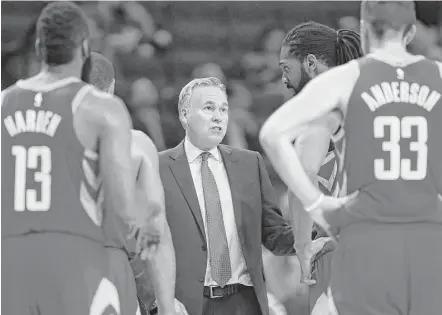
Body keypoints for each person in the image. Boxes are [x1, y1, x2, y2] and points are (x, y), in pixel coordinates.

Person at [260, 1, 442, 314]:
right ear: (411, 32)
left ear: (365, 29)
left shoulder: (346, 82)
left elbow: (275, 138)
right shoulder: (436, 75)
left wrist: (311, 222)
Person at [2, 3, 153, 314]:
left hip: (10, 259)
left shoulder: (3, 102)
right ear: (85, 47)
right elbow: (121, 208)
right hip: (70, 257)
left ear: (38, 47)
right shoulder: (100, 108)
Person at [158, 76, 313, 315]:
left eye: (223, 109)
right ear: (184, 114)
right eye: (208, 108)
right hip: (184, 305)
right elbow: (146, 242)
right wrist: (158, 300)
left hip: (244, 302)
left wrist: (311, 234)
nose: (218, 116)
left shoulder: (250, 163)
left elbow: (273, 233)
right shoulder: (158, 166)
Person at [83, 52, 183, 315]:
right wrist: (166, 305)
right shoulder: (136, 145)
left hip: (50, 263)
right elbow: (157, 231)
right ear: (113, 87)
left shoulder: (35, 140)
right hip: (112, 273)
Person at [277, 21, 363, 314]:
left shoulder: (323, 109)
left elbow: (303, 172)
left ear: (310, 63)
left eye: (286, 69)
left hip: (344, 252)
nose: (284, 80)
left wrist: (302, 244)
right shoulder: (378, 99)